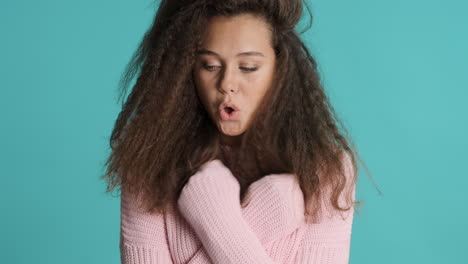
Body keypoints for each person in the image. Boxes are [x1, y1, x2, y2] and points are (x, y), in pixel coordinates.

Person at [101, 0, 366, 263]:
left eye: (248, 67)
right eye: (210, 66)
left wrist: (212, 214)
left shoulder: (326, 170)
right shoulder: (149, 164)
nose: (227, 84)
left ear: (280, 68)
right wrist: (216, 209)